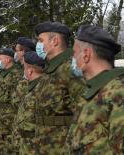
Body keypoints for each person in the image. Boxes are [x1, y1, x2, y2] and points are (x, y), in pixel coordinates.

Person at [66, 25, 124, 154]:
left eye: (74, 53)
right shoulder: (94, 92)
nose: (73, 59)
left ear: (86, 55)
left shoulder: (118, 94)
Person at [33, 21, 84, 154]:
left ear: (55, 41)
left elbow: (85, 115)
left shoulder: (70, 69)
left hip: (62, 148)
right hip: (45, 145)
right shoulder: (51, 69)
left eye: (40, 40)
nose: (38, 45)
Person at [11, 51, 47, 154]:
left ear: (30, 71)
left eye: (25, 69)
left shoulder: (40, 90)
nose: (24, 72)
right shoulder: (34, 88)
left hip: (32, 147)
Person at [0, 48, 22, 154]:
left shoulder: (17, 74)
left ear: (8, 59)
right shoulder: (2, 74)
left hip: (11, 124)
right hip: (1, 123)